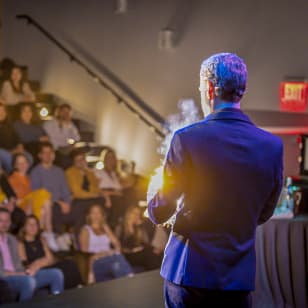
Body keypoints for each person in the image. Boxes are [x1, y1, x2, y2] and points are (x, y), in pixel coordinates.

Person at [147, 53, 284, 308]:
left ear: (209, 88)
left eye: (200, 87)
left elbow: (159, 211)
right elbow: (264, 213)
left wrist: (153, 193)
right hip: (237, 279)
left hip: (189, 276)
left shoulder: (186, 139)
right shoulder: (272, 146)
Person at [0, 208, 64, 301]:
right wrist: (20, 273)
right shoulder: (19, 241)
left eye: (7, 221)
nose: (4, 224)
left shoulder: (12, 240)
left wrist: (29, 270)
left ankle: (58, 304)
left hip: (20, 275)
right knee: (29, 281)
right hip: (4, 280)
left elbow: (20, 264)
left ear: (10, 223)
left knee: (56, 274)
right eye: (1, 221)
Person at [8, 153, 58, 250]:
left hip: (33, 206)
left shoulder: (29, 178)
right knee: (43, 193)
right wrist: (30, 200)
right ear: (15, 166)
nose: (23, 165)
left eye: (24, 162)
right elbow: (14, 201)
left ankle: (44, 235)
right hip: (22, 207)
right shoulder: (12, 179)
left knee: (44, 208)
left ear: (28, 163)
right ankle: (48, 233)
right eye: (19, 163)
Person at [18, 215, 82, 290]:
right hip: (35, 271)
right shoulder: (21, 243)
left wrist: (39, 263)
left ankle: (77, 288)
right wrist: (40, 263)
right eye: (30, 224)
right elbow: (25, 264)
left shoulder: (41, 239)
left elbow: (50, 258)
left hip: (45, 266)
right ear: (24, 227)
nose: (33, 227)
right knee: (61, 270)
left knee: (70, 263)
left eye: (35, 224)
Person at [79, 204, 133, 283]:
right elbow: (84, 255)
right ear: (89, 215)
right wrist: (103, 254)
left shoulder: (105, 228)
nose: (96, 215)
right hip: (95, 262)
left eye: (98, 213)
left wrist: (106, 228)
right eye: (93, 213)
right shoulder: (86, 230)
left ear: (102, 215)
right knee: (117, 258)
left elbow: (118, 247)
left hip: (110, 259)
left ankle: (127, 284)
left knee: (116, 265)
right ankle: (132, 278)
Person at [30, 142, 72, 241]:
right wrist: (59, 202)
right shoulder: (36, 172)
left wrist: (67, 203)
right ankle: (57, 236)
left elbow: (66, 190)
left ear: (54, 155)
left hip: (61, 202)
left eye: (50, 152)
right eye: (45, 153)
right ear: (40, 155)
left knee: (80, 209)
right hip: (46, 203)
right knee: (56, 208)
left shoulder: (59, 171)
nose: (48, 155)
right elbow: (37, 193)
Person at [66, 149, 106, 232]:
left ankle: (99, 230)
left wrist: (104, 195)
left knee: (103, 201)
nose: (81, 162)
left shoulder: (90, 173)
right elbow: (77, 192)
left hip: (90, 199)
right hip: (77, 200)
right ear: (74, 162)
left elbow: (96, 188)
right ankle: (78, 232)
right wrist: (94, 194)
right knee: (84, 207)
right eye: (78, 160)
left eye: (83, 159)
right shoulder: (70, 172)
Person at [115, 206, 163, 271]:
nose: (136, 216)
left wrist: (154, 248)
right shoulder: (120, 228)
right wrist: (132, 250)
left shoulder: (138, 228)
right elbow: (118, 246)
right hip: (127, 255)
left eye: (138, 214)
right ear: (129, 214)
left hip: (139, 254)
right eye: (134, 213)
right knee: (149, 254)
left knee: (156, 253)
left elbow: (144, 244)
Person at [95, 149, 135, 227]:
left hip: (118, 196)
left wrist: (130, 171)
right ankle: (116, 223)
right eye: (109, 157)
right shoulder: (98, 172)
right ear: (104, 159)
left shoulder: (115, 174)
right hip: (106, 195)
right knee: (117, 200)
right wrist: (108, 196)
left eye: (113, 157)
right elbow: (96, 189)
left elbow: (128, 184)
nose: (111, 160)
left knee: (130, 192)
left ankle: (130, 219)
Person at [0, 102, 32, 173]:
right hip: (3, 152)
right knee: (7, 157)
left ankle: (20, 177)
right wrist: (11, 152)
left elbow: (17, 139)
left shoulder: (9, 125)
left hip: (14, 150)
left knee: (29, 157)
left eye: (3, 110)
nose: (1, 113)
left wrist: (19, 147)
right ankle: (12, 176)